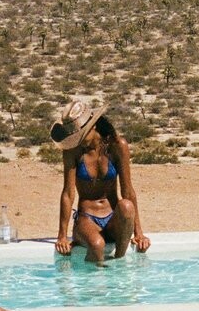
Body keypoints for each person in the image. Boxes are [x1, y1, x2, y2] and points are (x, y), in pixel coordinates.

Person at [51, 98, 151, 264]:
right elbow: (68, 193)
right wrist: (62, 236)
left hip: (113, 218)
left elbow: (127, 191)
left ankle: (119, 263)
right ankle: (94, 279)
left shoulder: (117, 146)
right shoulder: (73, 151)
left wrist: (139, 233)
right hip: (87, 218)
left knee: (127, 206)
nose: (78, 140)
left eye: (81, 135)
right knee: (97, 245)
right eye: (75, 137)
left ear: (93, 126)